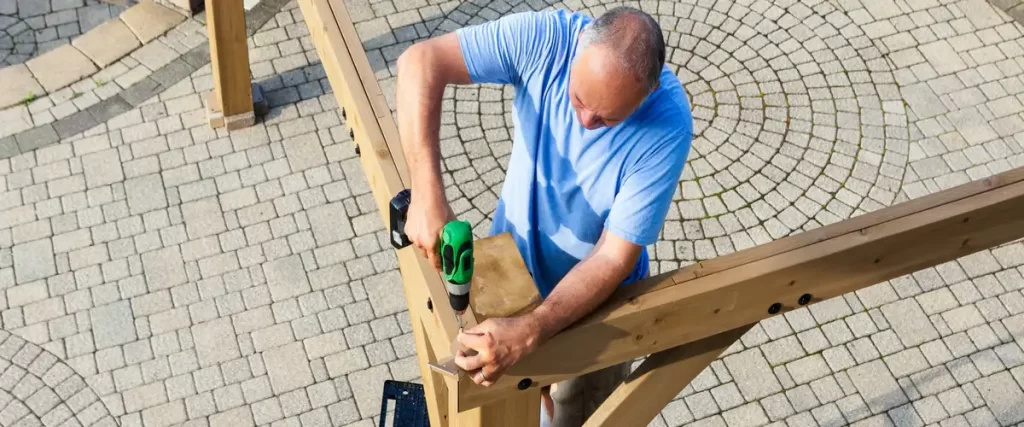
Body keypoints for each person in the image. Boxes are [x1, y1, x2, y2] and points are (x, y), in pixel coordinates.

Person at [395, 5, 693, 426]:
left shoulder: (669, 126)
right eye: (578, 98)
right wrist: (426, 193)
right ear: (579, 51)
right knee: (510, 403)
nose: (586, 121)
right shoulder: (547, 39)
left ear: (648, 92)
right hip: (510, 275)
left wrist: (534, 328)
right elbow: (419, 62)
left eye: (608, 118)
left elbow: (612, 257)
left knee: (580, 417)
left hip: (597, 307)